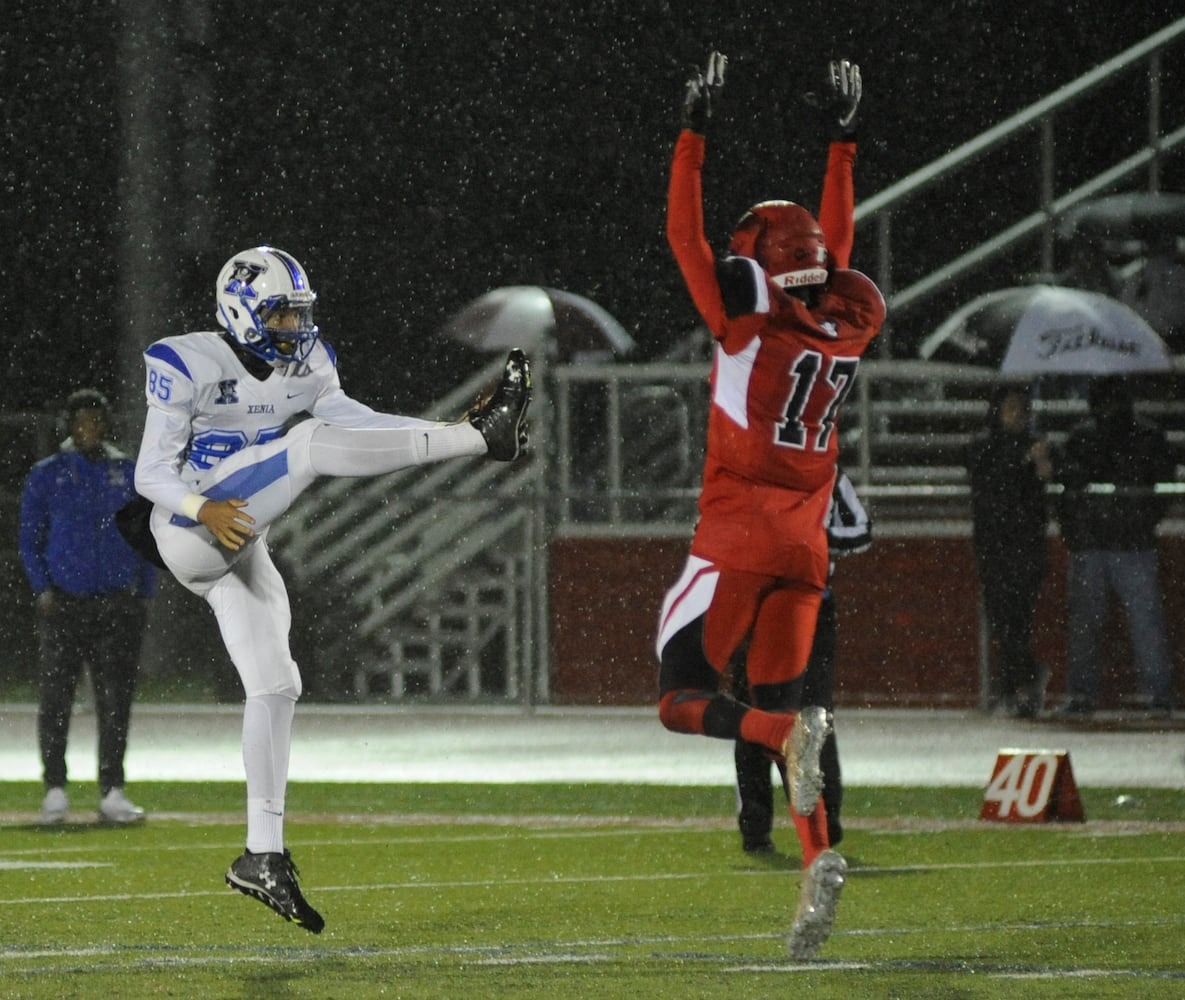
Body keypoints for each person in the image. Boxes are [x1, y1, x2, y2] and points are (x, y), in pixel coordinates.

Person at [133, 245, 531, 934]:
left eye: (299, 312)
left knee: (276, 685)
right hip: (188, 529)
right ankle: (482, 442)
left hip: (242, 535)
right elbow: (149, 474)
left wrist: (444, 431)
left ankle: (262, 854)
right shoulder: (187, 360)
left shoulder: (307, 363)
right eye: (281, 312)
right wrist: (204, 511)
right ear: (239, 311)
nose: (294, 325)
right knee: (308, 445)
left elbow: (358, 421)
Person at [656, 53, 883, 960]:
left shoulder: (744, 321)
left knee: (682, 699)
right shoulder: (846, 316)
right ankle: (815, 859)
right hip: (806, 542)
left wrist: (692, 136)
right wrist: (842, 145)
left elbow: (682, 236)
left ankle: (777, 734)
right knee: (794, 695)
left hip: (739, 529)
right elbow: (830, 252)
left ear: (751, 262)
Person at [18, 388, 157, 825]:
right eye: (81, 421)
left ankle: (112, 789)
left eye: (96, 421)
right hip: (65, 603)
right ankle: (55, 789)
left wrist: (143, 591)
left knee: (116, 701)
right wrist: (43, 588)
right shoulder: (49, 474)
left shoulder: (127, 472)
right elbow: (29, 538)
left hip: (117, 604)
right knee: (56, 700)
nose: (89, 429)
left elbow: (148, 534)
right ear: (69, 426)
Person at [732, 470, 871, 855]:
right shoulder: (745, 477)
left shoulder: (828, 478)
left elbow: (862, 530)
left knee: (813, 715)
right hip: (758, 606)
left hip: (810, 608)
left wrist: (814, 539)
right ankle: (755, 827)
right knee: (753, 718)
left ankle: (827, 819)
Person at [1054, 376, 1176, 717]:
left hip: (1095, 542)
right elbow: (1162, 486)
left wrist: (1074, 532)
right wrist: (1141, 521)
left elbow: (1067, 490)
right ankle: (1159, 697)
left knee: (1088, 625)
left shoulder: (1080, 437)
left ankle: (1083, 696)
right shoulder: (1148, 436)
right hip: (1130, 542)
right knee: (1144, 623)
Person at [965, 384, 1053, 718]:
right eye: (1010, 408)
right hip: (994, 547)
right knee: (1004, 623)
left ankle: (1015, 688)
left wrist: (1043, 467)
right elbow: (989, 485)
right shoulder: (982, 446)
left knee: (1018, 622)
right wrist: (1024, 461)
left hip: (1026, 546)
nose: (1017, 415)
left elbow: (1038, 495)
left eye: (1021, 409)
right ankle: (1023, 681)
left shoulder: (1036, 445)